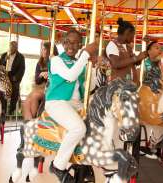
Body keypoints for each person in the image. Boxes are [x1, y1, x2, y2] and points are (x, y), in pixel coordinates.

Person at [45, 29, 98, 182]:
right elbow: (70, 75)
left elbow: (91, 85)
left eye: (75, 43)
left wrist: (92, 67)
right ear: (62, 42)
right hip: (57, 102)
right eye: (68, 42)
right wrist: (85, 55)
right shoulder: (56, 60)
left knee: (97, 125)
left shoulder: (78, 62)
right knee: (78, 128)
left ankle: (85, 162)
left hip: (76, 104)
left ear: (79, 45)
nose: (71, 45)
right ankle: (58, 165)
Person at [22, 42, 58, 120]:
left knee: (34, 96)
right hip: (40, 87)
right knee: (27, 100)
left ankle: (33, 120)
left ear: (49, 50)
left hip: (50, 88)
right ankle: (28, 120)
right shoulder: (39, 64)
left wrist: (49, 74)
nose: (42, 51)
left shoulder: (56, 62)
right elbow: (37, 81)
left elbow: (58, 76)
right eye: (42, 49)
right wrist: (41, 75)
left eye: (44, 49)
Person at [105, 18, 147, 83]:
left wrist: (141, 56)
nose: (133, 39)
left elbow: (134, 62)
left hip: (130, 86)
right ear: (127, 33)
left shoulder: (128, 46)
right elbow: (116, 64)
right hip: (118, 87)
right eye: (132, 35)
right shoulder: (112, 45)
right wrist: (136, 58)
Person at [0, 41, 25, 115]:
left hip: (13, 75)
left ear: (16, 48)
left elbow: (22, 69)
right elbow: (0, 66)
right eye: (11, 46)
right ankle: (3, 107)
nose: (12, 48)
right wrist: (4, 60)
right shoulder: (4, 55)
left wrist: (15, 77)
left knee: (15, 89)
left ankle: (11, 109)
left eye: (14, 46)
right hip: (4, 75)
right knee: (2, 89)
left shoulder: (20, 57)